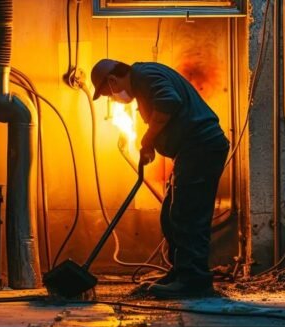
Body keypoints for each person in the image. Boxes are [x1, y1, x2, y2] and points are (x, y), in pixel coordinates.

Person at [90, 59, 229, 299]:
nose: (113, 99)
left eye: (108, 95)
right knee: (171, 215)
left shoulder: (144, 75)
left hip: (201, 148)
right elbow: (165, 111)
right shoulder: (144, 81)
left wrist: (148, 138)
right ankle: (181, 273)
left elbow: (169, 101)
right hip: (190, 152)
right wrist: (152, 144)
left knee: (188, 215)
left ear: (112, 81)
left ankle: (194, 281)